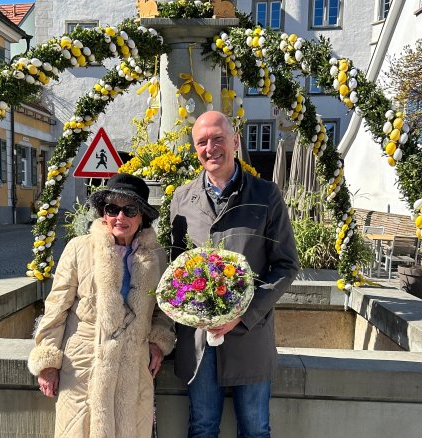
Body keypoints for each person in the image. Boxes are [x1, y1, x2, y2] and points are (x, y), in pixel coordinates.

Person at [169, 111, 300, 438]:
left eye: (217, 139)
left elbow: (286, 265)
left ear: (235, 142)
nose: (210, 148)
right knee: (201, 427)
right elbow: (176, 269)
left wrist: (243, 314)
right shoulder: (181, 199)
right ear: (195, 148)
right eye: (202, 142)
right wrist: (187, 310)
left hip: (249, 336)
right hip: (199, 338)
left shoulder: (265, 195)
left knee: (255, 430)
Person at [27, 173, 176, 437]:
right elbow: (56, 309)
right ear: (103, 213)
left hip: (133, 368)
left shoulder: (156, 257)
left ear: (142, 216)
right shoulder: (79, 249)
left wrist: (157, 341)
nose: (121, 217)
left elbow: (163, 309)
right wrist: (48, 363)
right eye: (112, 209)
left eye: (130, 209)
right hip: (83, 365)